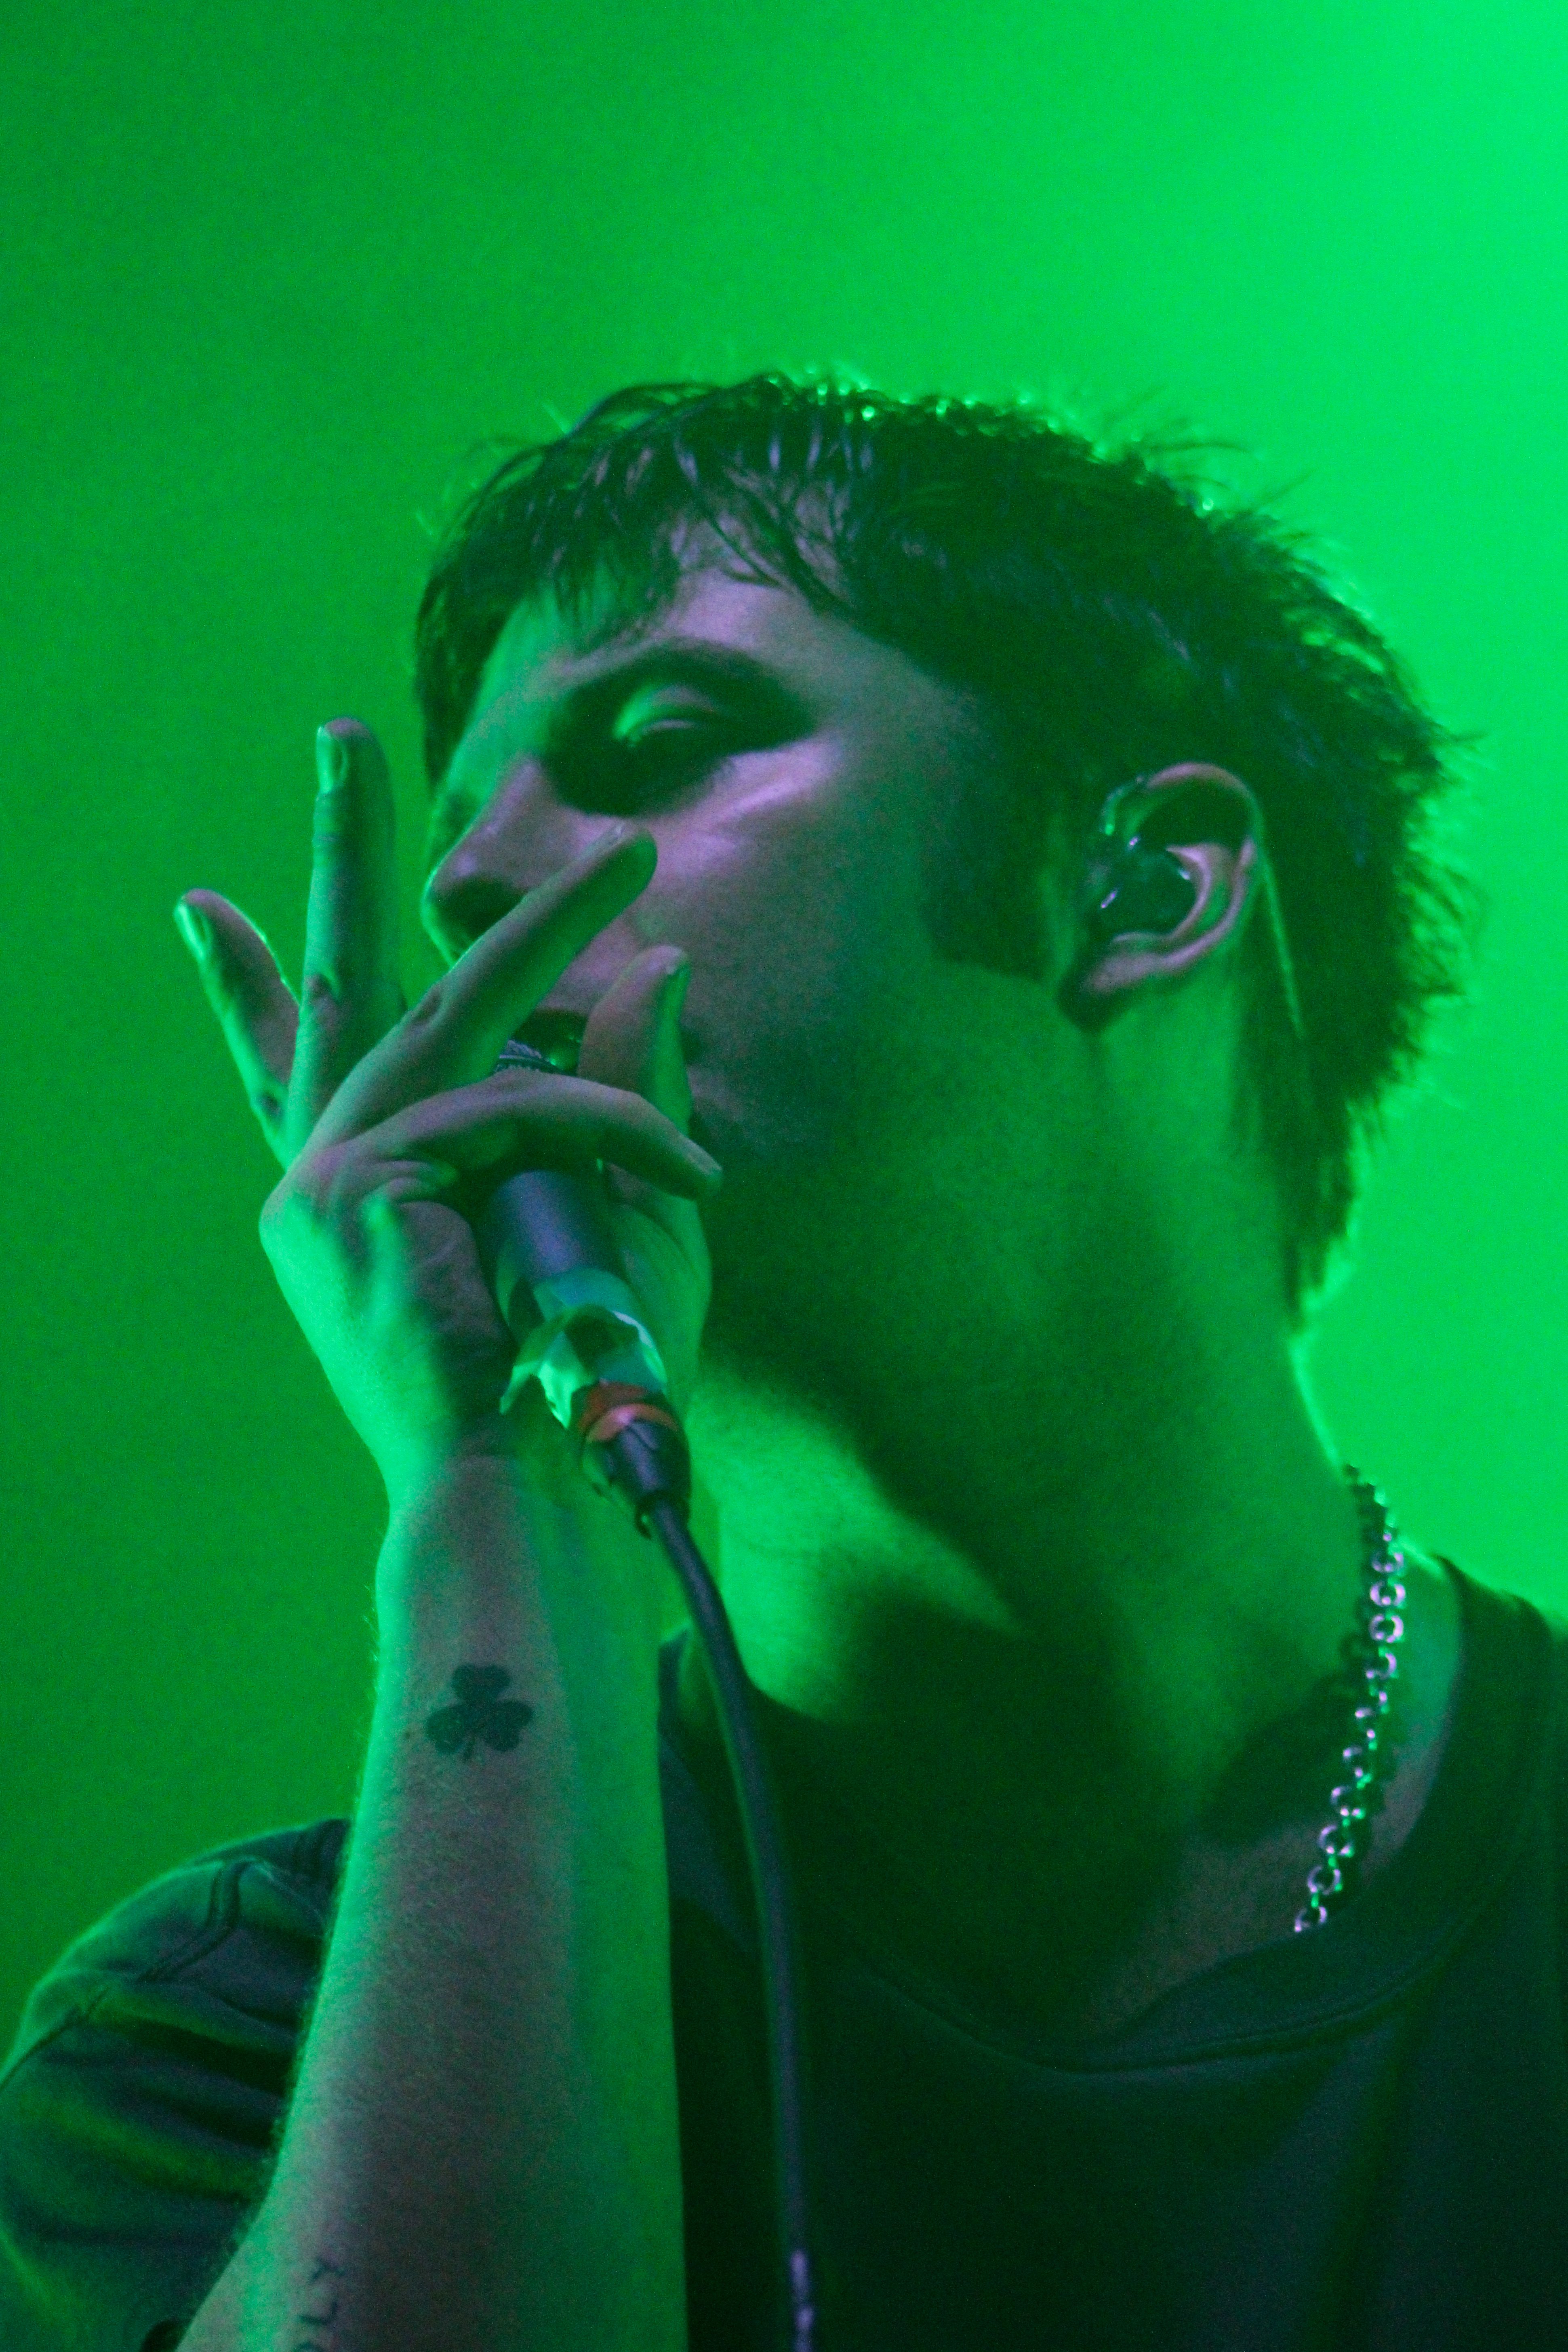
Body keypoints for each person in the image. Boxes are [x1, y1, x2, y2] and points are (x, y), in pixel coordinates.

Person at [1, 375, 1563, 2352]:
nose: (467, 884)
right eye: (463, 817)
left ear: (1145, 883)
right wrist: (506, 1487)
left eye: (656, 742)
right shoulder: (234, 2033)